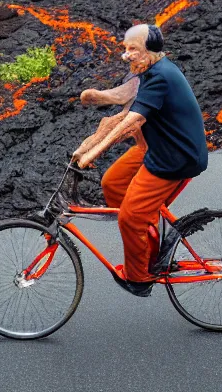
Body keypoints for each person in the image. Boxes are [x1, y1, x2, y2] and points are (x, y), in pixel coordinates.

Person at [72, 24, 208, 289]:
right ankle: (147, 239)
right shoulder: (148, 72)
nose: (126, 55)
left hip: (175, 157)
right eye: (125, 49)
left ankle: (140, 276)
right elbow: (122, 116)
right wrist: (85, 147)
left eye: (132, 49)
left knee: (130, 217)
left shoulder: (160, 76)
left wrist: (94, 152)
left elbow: (131, 121)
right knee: (112, 184)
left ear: (150, 49)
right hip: (157, 147)